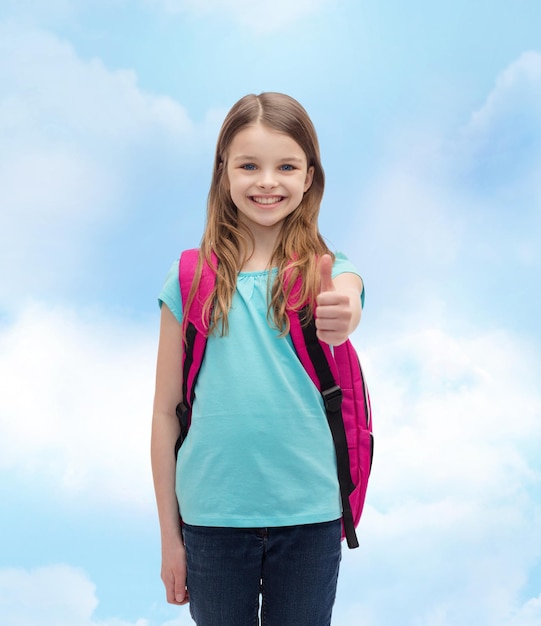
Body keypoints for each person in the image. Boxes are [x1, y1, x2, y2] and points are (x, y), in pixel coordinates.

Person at [151, 92, 364, 626]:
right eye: (249, 165)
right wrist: (169, 538)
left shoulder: (327, 269)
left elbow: (348, 294)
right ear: (223, 172)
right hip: (210, 518)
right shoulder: (188, 280)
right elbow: (164, 413)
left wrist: (343, 311)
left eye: (286, 166)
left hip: (311, 514)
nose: (267, 181)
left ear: (310, 175)